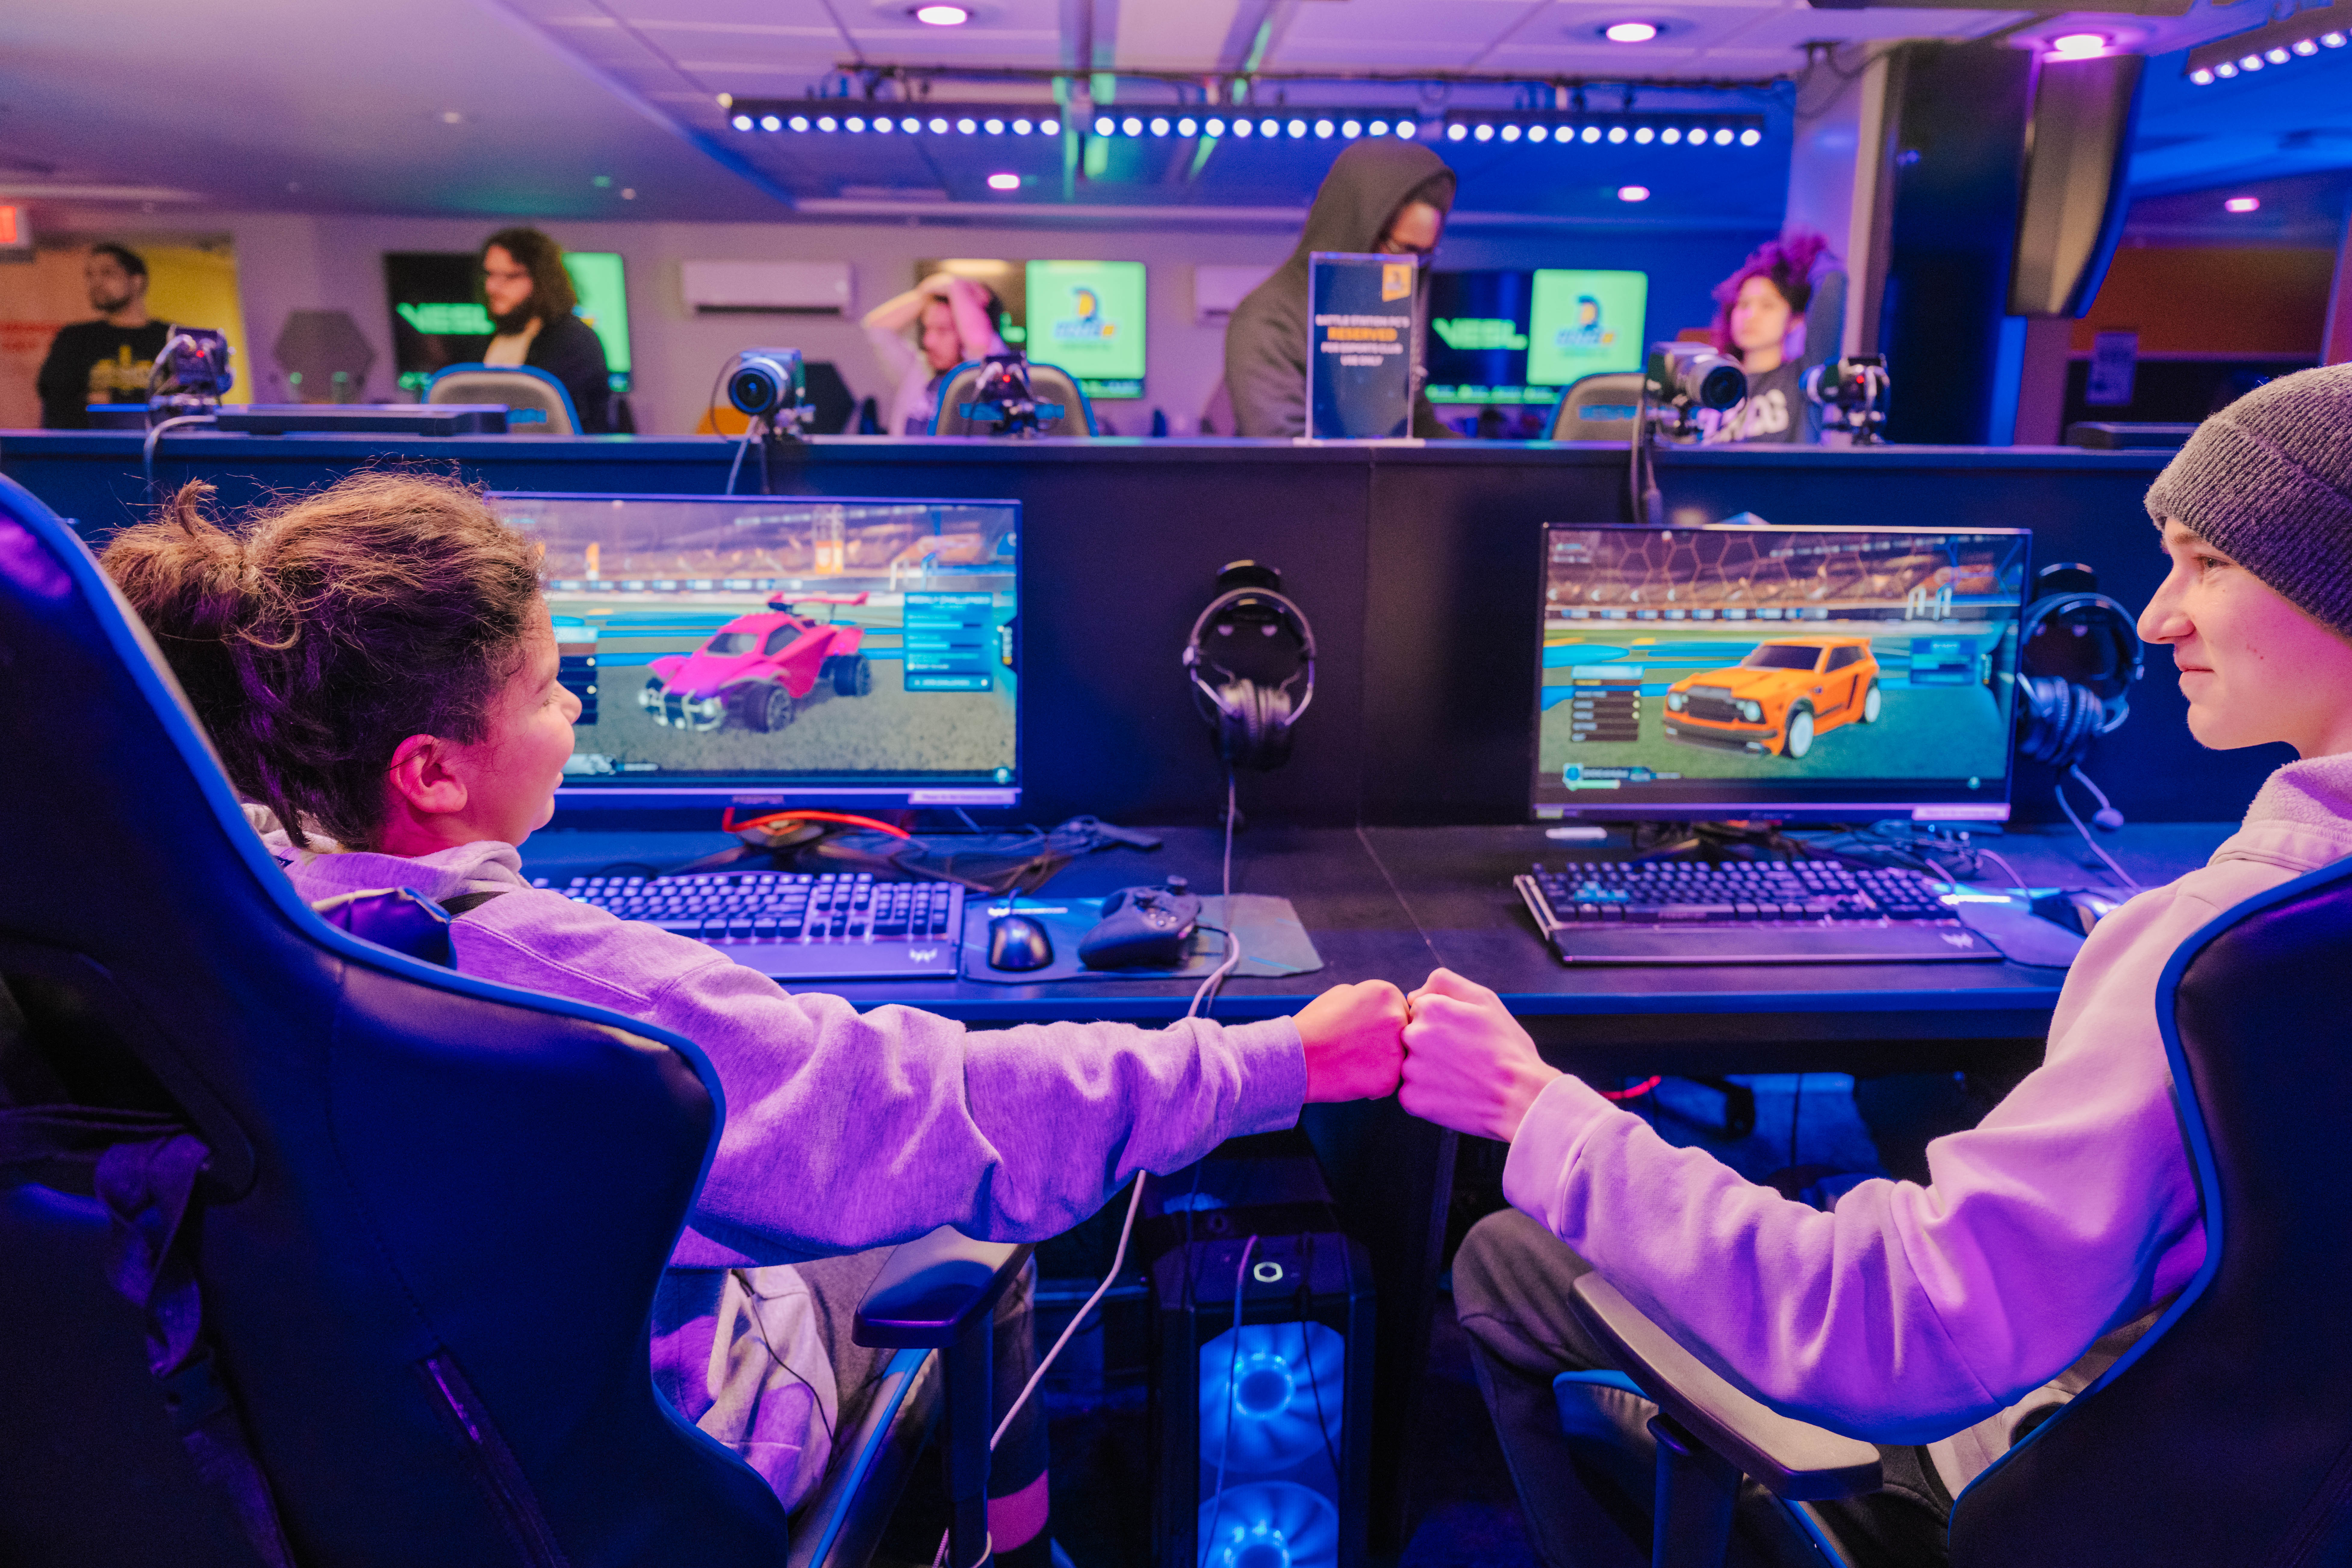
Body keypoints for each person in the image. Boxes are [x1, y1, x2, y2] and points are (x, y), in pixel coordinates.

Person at [98, 470, 1408, 1567]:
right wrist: (1282, 1057)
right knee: (955, 1213)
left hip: (355, 1467)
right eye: (552, 690)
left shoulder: (212, 921)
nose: (574, 716)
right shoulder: (554, 981)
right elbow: (930, 1108)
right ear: (432, 770)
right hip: (635, 1466)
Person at [1406, 364, 2352, 1566]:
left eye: (2209, 563)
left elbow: (1892, 1329)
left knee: (1502, 1253)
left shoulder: (2222, 958)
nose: (2158, 617)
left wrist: (1533, 1109)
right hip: (2270, 1502)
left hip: (2031, 1477)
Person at [1225, 140, 1457, 440]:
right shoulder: (1267, 320)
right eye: (1402, 250)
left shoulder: (1381, 315)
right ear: (1357, 227)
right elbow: (1282, 458)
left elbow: (1420, 429)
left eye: (1423, 256)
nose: (1410, 269)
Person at [1700, 232, 1837, 446]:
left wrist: (1803, 258)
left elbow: (1834, 280)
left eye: (1767, 306)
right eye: (1744, 305)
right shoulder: (1711, 383)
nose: (1750, 316)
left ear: (1795, 320)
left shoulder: (1803, 378)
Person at [478, 227, 615, 434]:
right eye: (490, 274)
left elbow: (546, 422)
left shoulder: (574, 340)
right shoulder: (492, 340)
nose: (492, 287)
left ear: (542, 280)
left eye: (509, 276)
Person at [36, 243, 173, 429]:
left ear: (137, 281)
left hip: (159, 452)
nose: (96, 283)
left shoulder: (171, 339)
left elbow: (185, 405)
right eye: (90, 275)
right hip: (88, 452)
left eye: (108, 273)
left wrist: (111, 400)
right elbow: (56, 399)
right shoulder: (74, 338)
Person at [861, 273, 1009, 436]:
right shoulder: (917, 371)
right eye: (928, 329)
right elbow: (878, 329)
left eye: (942, 331)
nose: (928, 342)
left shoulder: (987, 374)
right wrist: (926, 294)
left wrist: (956, 287)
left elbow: (979, 343)